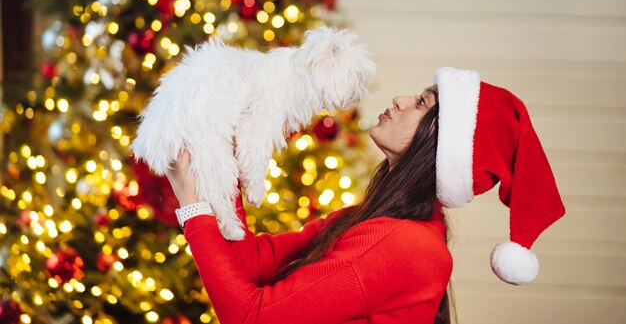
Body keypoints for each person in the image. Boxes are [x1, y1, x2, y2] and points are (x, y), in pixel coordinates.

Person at [165, 67, 565, 324]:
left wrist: (195, 209)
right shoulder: (368, 221)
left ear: (442, 144)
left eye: (423, 102)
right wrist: (219, 171)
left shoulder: (405, 245)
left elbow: (249, 318)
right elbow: (250, 263)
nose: (401, 100)